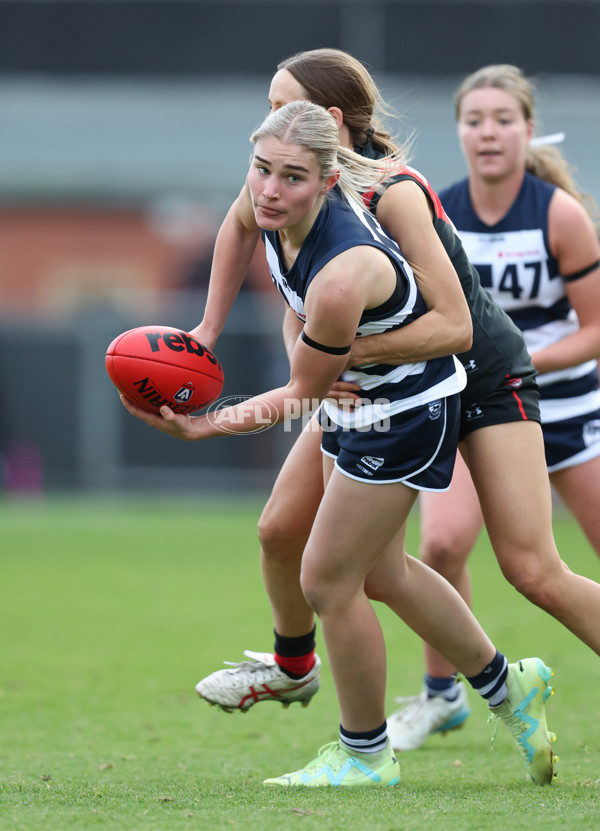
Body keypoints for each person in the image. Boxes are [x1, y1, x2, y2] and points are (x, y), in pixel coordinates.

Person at [121, 100, 556, 787]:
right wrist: (204, 327)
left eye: (291, 177)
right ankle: (509, 687)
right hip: (358, 395)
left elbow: (301, 391)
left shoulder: (342, 271)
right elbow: (241, 231)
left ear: (327, 182)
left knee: (327, 576)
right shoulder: (267, 203)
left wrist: (207, 423)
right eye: (261, 169)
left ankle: (365, 754)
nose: (268, 189)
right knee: (381, 573)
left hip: (405, 410)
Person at [193, 51, 600, 753]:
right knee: (289, 533)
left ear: (328, 120)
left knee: (531, 569)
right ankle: (303, 668)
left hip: (473, 374)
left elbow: (454, 326)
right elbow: (254, 239)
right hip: (387, 383)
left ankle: (418, 714)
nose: (268, 124)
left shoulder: (390, 191)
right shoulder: (286, 175)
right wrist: (210, 330)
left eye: (279, 105)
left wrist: (335, 358)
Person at [386, 64, 600, 751]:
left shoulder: (557, 213)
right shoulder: (432, 208)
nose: (487, 132)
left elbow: (596, 328)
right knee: (442, 542)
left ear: (527, 130)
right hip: (480, 404)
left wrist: (524, 360)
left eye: (502, 119)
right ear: (459, 132)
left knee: (554, 570)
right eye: (474, 119)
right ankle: (441, 694)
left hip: (565, 404)